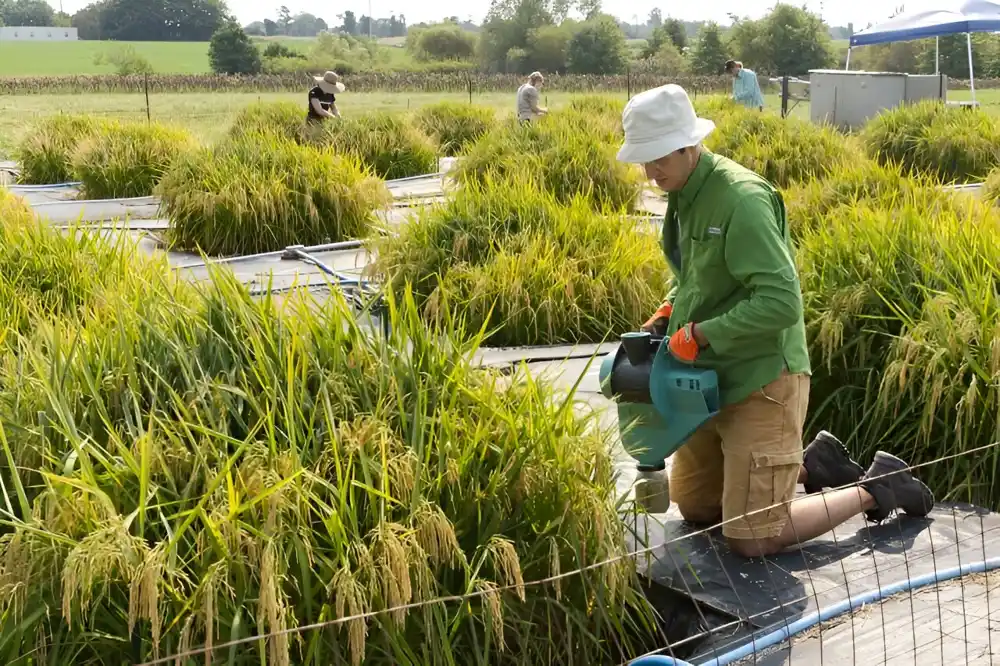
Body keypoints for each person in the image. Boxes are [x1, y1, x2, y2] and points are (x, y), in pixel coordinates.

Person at [615, 83, 934, 559]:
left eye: (659, 157)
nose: (650, 170)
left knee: (752, 536)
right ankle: (810, 466)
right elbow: (698, 277)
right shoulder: (683, 191)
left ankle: (879, 484)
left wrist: (701, 332)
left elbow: (781, 302)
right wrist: (670, 308)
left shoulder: (741, 200)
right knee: (699, 508)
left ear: (689, 144)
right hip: (705, 377)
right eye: (644, 160)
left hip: (763, 376)